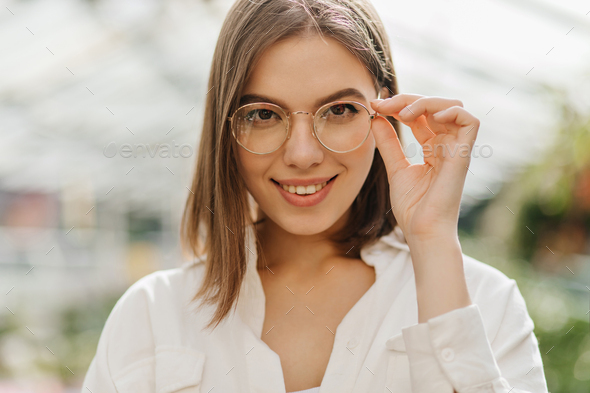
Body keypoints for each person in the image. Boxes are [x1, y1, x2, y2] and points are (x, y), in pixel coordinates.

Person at [81, 0, 549, 392]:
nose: (303, 155)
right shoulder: (152, 316)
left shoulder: (483, 303)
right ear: (226, 128)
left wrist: (432, 242)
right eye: (263, 115)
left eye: (341, 109)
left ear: (386, 110)